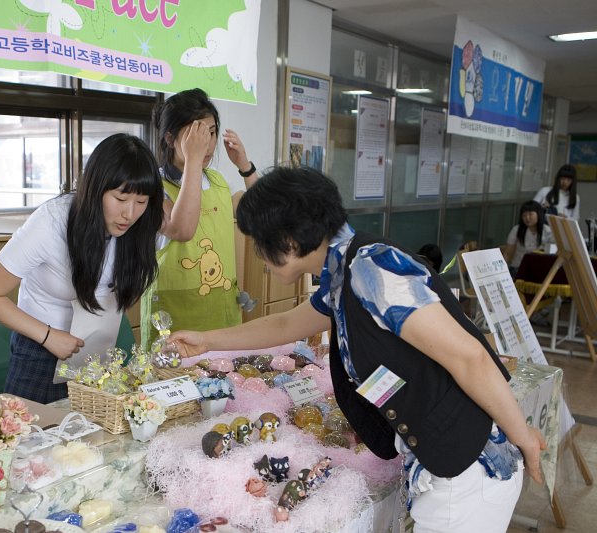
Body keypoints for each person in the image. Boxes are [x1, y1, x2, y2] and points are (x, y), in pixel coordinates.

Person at [169, 167, 545, 533]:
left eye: (259, 243)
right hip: (442, 465)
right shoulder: (342, 274)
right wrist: (208, 341)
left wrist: (524, 437)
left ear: (287, 240)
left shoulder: (372, 269)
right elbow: (285, 325)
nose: (257, 256)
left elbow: (470, 357)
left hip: (465, 471)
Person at [0, 133, 163, 404]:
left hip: (97, 350)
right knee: (35, 438)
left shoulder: (141, 227)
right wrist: (49, 337)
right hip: (40, 349)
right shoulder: (52, 221)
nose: (129, 214)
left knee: (96, 441)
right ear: (96, 188)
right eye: (120, 199)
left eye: (141, 202)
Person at [141, 88, 258, 348]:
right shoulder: (153, 187)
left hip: (222, 314)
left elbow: (266, 211)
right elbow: (182, 229)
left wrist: (245, 166)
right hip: (174, 320)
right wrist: (193, 161)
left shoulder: (218, 181)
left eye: (212, 133)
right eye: (197, 135)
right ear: (170, 139)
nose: (206, 144)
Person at [505, 200, 553, 277]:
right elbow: (508, 253)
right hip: (518, 269)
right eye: (524, 215)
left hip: (539, 270)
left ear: (538, 214)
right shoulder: (516, 230)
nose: (527, 218)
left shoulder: (548, 231)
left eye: (530, 214)